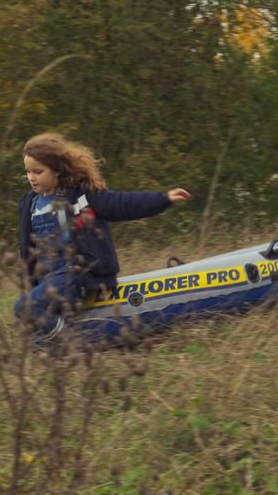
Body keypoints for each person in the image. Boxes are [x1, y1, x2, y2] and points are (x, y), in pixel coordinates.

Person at [16, 132, 191, 341]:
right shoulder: (29, 204)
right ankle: (58, 338)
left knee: (23, 308)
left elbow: (121, 204)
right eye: (28, 172)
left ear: (57, 170)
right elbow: (28, 248)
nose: (31, 178)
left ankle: (70, 343)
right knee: (34, 329)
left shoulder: (80, 196)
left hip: (77, 275)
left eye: (38, 171)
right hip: (48, 279)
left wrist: (163, 199)